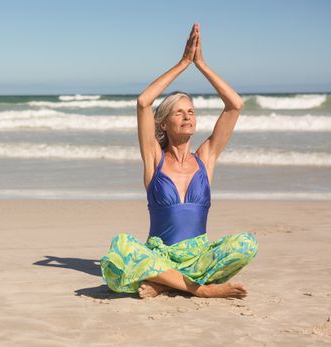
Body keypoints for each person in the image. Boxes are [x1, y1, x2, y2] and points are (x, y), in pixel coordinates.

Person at [100, 23, 258, 299]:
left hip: (198, 259)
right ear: (163, 123)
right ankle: (201, 290)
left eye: (191, 112)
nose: (187, 117)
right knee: (121, 246)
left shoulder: (206, 158)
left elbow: (235, 105)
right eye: (179, 113)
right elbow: (143, 102)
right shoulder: (154, 159)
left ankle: (165, 284)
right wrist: (184, 63)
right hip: (159, 256)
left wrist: (202, 64)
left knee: (247, 243)